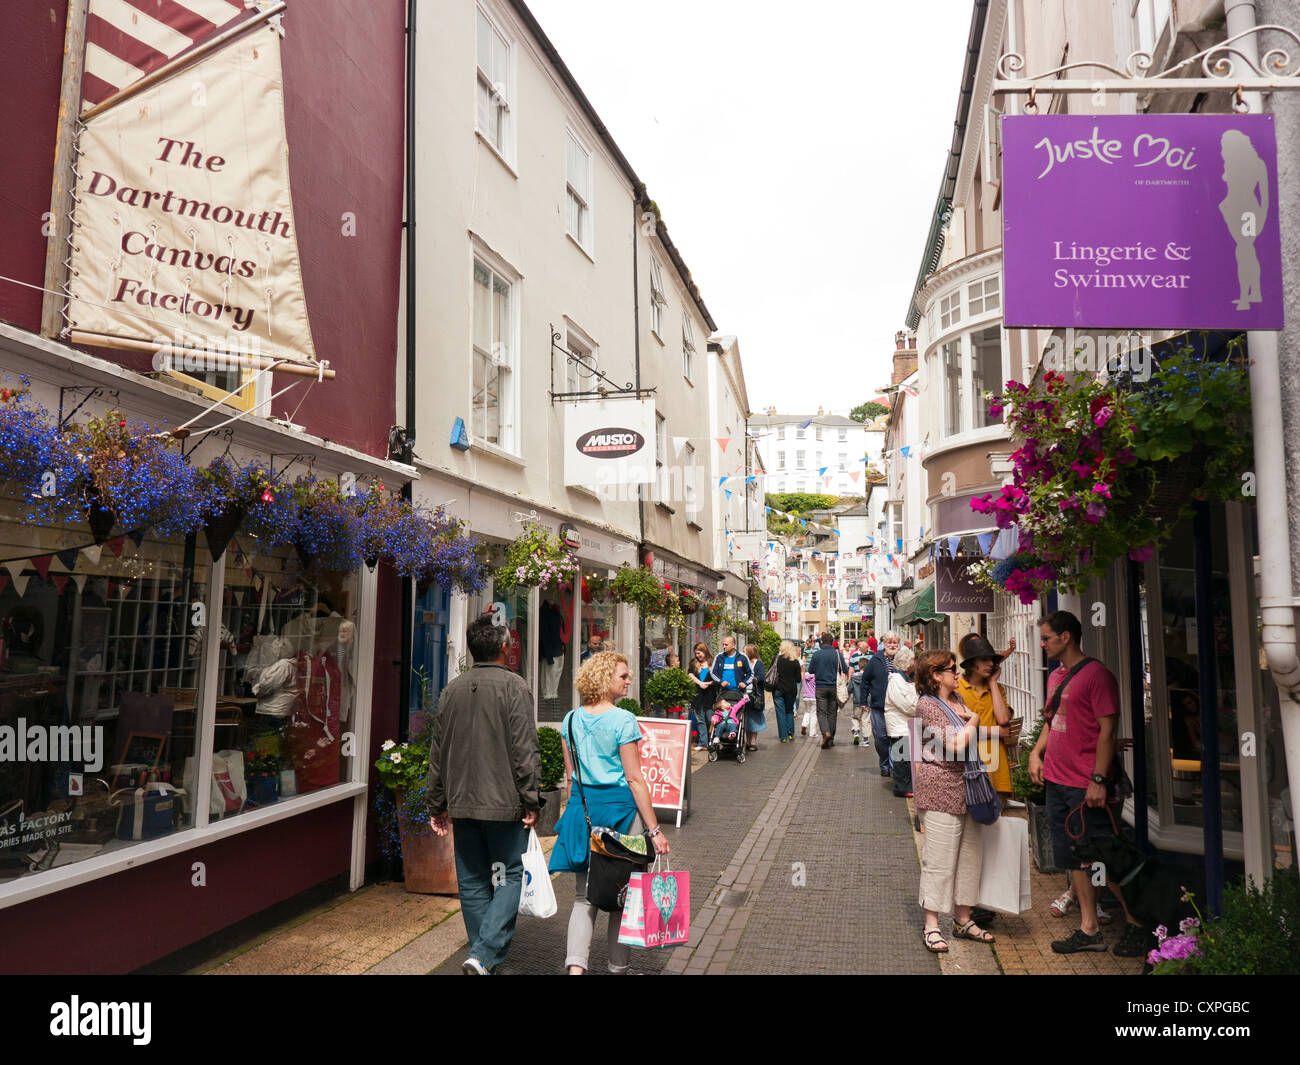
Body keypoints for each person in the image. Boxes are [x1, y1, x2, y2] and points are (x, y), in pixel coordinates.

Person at [1027, 610, 1145, 957]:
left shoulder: (1097, 676)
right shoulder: (1056, 676)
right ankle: (1089, 928)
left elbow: (1107, 730)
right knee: (1074, 857)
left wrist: (1097, 780)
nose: (1043, 643)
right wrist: (1036, 755)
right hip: (1058, 781)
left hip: (1084, 784)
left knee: (1105, 858)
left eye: (1047, 637)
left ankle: (1137, 923)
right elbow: (1051, 721)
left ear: (1067, 637)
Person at [427, 615, 541, 975]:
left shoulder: (452, 689)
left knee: (474, 880)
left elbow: (438, 750)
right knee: (510, 873)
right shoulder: (515, 687)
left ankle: (482, 959)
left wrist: (437, 802)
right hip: (505, 803)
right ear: (505, 648)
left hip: (463, 801)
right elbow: (525, 749)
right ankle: (484, 955)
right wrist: (531, 798)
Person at [547, 651, 670, 974]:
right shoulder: (623, 720)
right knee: (621, 896)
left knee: (583, 897)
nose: (629, 680)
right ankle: (618, 968)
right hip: (618, 811)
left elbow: (572, 779)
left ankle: (576, 970)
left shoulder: (570, 719)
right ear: (604, 680)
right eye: (623, 676)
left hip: (583, 810)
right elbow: (634, 778)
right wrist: (654, 830)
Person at [913, 649, 990, 954]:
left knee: (969, 859)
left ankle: (963, 919)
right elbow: (956, 744)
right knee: (940, 861)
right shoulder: (927, 706)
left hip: (967, 789)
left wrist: (971, 719)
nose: (957, 673)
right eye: (952, 669)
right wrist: (975, 719)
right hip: (940, 790)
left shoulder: (957, 701)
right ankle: (931, 925)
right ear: (935, 675)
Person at [956, 636, 1013, 804]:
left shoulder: (997, 689)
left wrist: (993, 683)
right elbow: (958, 732)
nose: (990, 664)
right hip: (969, 766)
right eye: (984, 659)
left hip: (997, 767)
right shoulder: (958, 690)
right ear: (972, 664)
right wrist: (995, 732)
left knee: (996, 823)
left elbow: (1003, 720)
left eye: (992, 660)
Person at [884, 643, 919, 798]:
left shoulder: (906, 680)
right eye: (914, 663)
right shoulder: (896, 681)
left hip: (908, 726)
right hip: (900, 727)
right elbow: (907, 705)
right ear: (908, 665)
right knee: (902, 760)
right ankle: (902, 787)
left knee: (908, 759)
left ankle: (908, 785)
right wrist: (920, 708)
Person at [863, 632, 898, 775]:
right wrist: (863, 700)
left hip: (897, 707)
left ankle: (894, 766)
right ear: (884, 643)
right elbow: (865, 680)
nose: (892, 645)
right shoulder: (875, 660)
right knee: (881, 737)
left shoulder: (902, 659)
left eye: (894, 642)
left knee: (895, 737)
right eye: (889, 642)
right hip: (879, 705)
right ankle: (884, 763)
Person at [809, 633, 849, 748]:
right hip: (834, 687)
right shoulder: (837, 654)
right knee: (832, 713)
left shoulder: (816, 654)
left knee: (821, 712)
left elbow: (811, 670)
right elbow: (845, 669)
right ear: (832, 642)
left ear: (821, 642)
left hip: (820, 687)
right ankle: (831, 739)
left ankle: (826, 733)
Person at [773, 640, 803, 742]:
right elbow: (798, 679)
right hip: (791, 690)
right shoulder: (795, 662)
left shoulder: (777, 660)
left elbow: (771, 672)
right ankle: (790, 733)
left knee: (780, 713)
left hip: (778, 689)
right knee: (789, 711)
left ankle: (783, 737)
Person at [688, 642, 714, 752]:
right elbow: (690, 675)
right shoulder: (694, 663)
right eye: (696, 654)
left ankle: (711, 742)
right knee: (700, 720)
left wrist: (707, 684)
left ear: (704, 651)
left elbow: (718, 678)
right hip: (698, 696)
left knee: (710, 719)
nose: (698, 656)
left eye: (699, 653)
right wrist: (699, 683)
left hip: (710, 696)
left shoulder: (712, 662)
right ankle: (703, 743)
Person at [710, 636, 753, 702]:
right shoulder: (719, 657)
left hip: (739, 693)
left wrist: (745, 683)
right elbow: (713, 673)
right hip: (723, 694)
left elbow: (750, 673)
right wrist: (721, 682)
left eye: (726, 645)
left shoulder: (742, 657)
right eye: (723, 644)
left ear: (733, 645)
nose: (724, 646)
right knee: (724, 712)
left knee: (738, 711)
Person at [847, 637, 873, 747]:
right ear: (860, 648)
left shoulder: (872, 653)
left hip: (857, 700)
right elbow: (851, 667)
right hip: (868, 700)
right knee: (866, 720)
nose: (868, 648)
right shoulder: (854, 655)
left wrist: (849, 685)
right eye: (866, 647)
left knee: (855, 717)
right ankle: (866, 739)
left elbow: (850, 688)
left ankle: (856, 730)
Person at [742, 642, 767, 751]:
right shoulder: (743, 663)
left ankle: (753, 742)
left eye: (744, 651)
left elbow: (761, 677)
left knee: (755, 718)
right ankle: (747, 742)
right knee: (747, 718)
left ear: (750, 653)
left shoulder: (758, 664)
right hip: (744, 694)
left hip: (755, 695)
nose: (742, 653)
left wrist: (753, 679)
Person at [799, 666, 818, 737]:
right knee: (814, 714)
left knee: (807, 712)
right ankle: (812, 732)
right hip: (814, 697)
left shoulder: (805, 675)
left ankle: (804, 724)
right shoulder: (816, 676)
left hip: (806, 697)